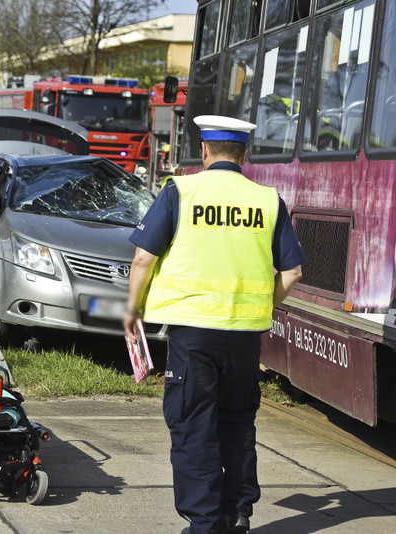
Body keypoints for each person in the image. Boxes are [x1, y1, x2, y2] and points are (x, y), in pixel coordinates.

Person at [123, 115, 306, 534]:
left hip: (193, 334)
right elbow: (292, 272)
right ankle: (238, 512)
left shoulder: (181, 191)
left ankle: (205, 524)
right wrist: (261, 304)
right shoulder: (267, 200)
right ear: (246, 153)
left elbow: (143, 259)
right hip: (245, 336)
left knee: (193, 424)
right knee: (238, 421)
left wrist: (132, 310)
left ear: (203, 151)